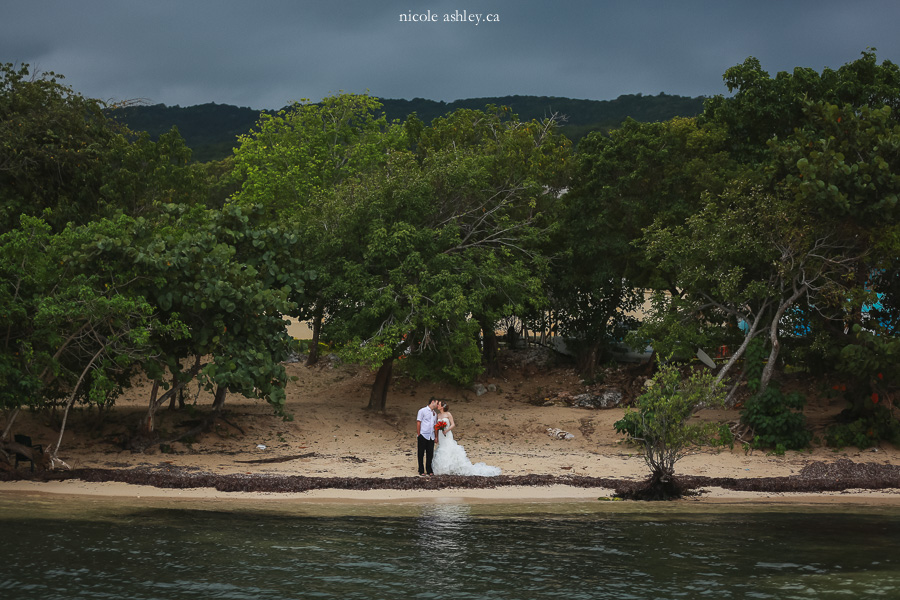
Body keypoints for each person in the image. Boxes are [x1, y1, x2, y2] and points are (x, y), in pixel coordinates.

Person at [432, 401, 501, 476]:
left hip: (447, 434)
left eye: (438, 404)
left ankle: (451, 467)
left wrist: (446, 430)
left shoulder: (448, 414)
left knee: (448, 448)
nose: (437, 405)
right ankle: (443, 467)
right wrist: (436, 436)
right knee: (442, 448)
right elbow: (436, 426)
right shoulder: (438, 415)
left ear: (442, 406)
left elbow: (453, 424)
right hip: (441, 435)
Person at [416, 398, 439, 475]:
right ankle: (421, 470)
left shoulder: (435, 414)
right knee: (421, 453)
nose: (437, 405)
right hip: (423, 434)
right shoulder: (422, 411)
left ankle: (429, 469)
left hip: (431, 435)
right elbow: (418, 422)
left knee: (430, 453)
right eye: (437, 403)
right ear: (432, 402)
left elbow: (435, 425)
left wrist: (436, 436)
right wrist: (419, 434)